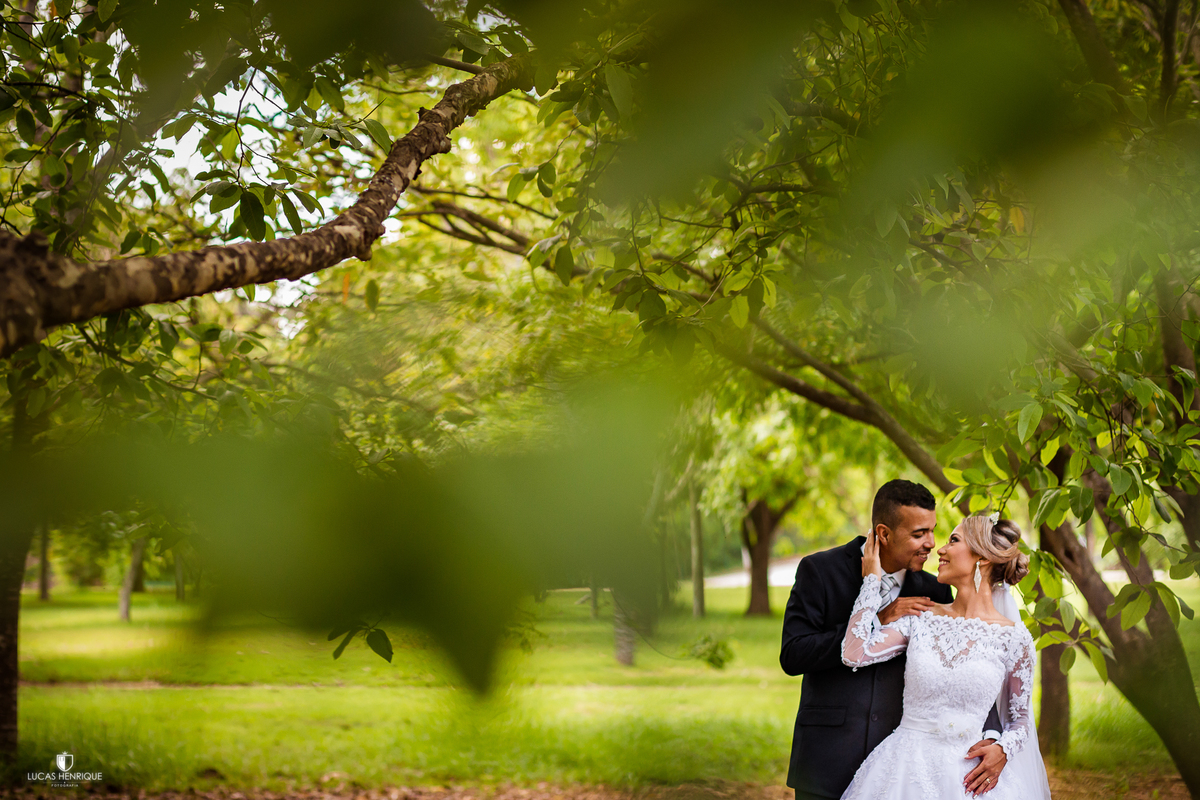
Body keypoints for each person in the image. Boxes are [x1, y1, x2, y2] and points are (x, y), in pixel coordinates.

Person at [780, 480, 1008, 800]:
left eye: (933, 530)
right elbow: (793, 654)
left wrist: (996, 737)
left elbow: (969, 671)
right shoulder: (819, 570)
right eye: (919, 534)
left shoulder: (937, 590)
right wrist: (879, 619)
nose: (931, 543)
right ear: (884, 533)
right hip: (827, 760)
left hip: (901, 771)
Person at [839, 514, 1053, 800]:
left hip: (970, 779)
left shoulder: (1014, 639)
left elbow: (1020, 720)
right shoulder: (922, 618)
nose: (940, 549)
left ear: (983, 558)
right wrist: (871, 583)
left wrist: (1003, 749)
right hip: (902, 772)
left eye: (953, 540)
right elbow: (854, 653)